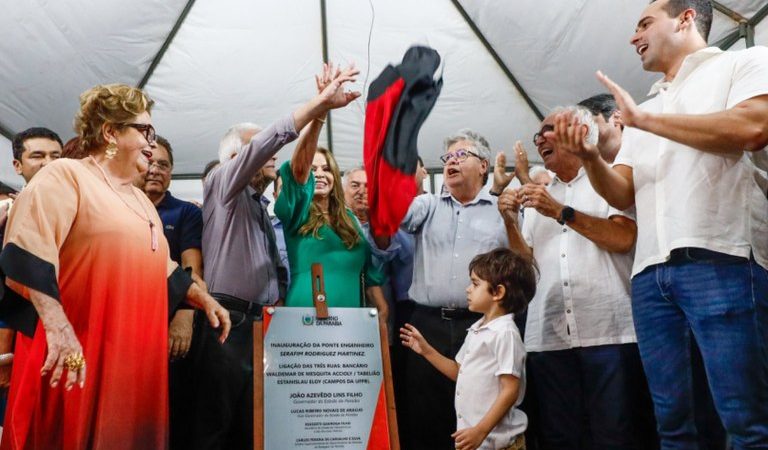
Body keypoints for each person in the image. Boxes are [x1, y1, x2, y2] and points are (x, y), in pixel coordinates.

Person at [554, 0, 768, 446]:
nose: (633, 37)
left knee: (743, 417)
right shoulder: (645, 105)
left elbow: (753, 127)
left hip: (721, 258)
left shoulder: (743, 62)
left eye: (644, 24)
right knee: (671, 421)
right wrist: (593, 158)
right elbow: (622, 192)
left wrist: (645, 121)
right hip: (650, 275)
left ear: (686, 18)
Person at [0, 83, 230, 450]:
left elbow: (162, 268)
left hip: (134, 361)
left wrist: (202, 298)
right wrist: (58, 327)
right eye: (145, 131)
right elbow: (26, 252)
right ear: (110, 131)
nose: (152, 144)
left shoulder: (141, 200)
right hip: (81, 354)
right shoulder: (66, 176)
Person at [192, 62, 361, 449]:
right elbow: (273, 141)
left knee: (254, 427)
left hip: (261, 326)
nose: (270, 155)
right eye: (257, 149)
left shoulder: (258, 207)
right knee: (214, 427)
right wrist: (315, 105)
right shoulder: (222, 185)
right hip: (227, 322)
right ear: (236, 157)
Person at [499, 107, 649, 449]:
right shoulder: (540, 196)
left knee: (617, 436)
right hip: (549, 341)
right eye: (537, 136)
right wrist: (510, 222)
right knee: (561, 437)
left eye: (549, 130)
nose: (540, 139)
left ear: (579, 130)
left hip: (609, 333)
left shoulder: (610, 179)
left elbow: (622, 238)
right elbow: (527, 269)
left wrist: (560, 212)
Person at [387, 128, 511, 448]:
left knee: (476, 411)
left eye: (460, 155)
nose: (451, 162)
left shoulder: (502, 211)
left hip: (481, 326)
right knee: (425, 416)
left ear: (483, 165)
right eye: (447, 158)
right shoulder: (426, 204)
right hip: (426, 325)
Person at [275, 65, 389, 315]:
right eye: (313, 169)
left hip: (352, 323)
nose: (320, 174)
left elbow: (368, 272)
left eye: (326, 168)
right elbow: (298, 172)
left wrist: (381, 308)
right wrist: (321, 111)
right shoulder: (297, 213)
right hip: (306, 317)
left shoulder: (348, 219)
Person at [400, 247, 536, 450]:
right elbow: (459, 371)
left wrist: (480, 430)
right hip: (478, 443)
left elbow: (510, 390)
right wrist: (426, 350)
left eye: (475, 284)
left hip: (498, 444)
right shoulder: (477, 328)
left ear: (498, 292)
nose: (468, 289)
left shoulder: (505, 333)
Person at [143, 135, 205, 450]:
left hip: (169, 325)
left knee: (175, 406)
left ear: (172, 172)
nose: (155, 170)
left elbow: (191, 267)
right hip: (126, 324)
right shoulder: (115, 205)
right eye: (150, 161)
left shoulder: (186, 213)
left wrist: (184, 315)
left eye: (163, 165)